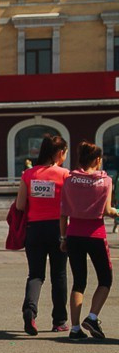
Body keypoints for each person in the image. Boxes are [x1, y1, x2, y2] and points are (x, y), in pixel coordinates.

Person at [16, 134, 71, 334]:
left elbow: (20, 205)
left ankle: (30, 310)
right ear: (59, 153)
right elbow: (70, 205)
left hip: (34, 229)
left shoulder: (29, 174)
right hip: (58, 228)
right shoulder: (65, 175)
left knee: (36, 274)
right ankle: (59, 320)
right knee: (59, 275)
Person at [61, 142, 116, 339]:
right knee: (105, 279)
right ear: (97, 160)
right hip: (96, 235)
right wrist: (116, 212)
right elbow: (107, 210)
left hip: (74, 234)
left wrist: (63, 237)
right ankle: (92, 317)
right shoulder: (105, 181)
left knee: (79, 281)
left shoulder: (69, 180)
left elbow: (63, 213)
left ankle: (75, 328)